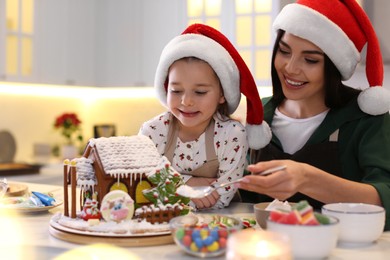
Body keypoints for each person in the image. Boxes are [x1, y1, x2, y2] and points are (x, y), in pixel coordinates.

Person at [237, 0, 390, 230]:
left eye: (310, 60)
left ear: (334, 66)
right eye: (284, 51)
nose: (290, 68)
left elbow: (385, 198)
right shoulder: (258, 116)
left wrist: (307, 178)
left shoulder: (367, 120)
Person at [139, 23, 271, 209]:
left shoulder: (232, 135)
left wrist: (168, 186)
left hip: (219, 227)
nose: (186, 101)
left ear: (222, 94)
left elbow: (220, 199)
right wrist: (187, 183)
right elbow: (140, 186)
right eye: (176, 90)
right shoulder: (152, 131)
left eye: (200, 92)